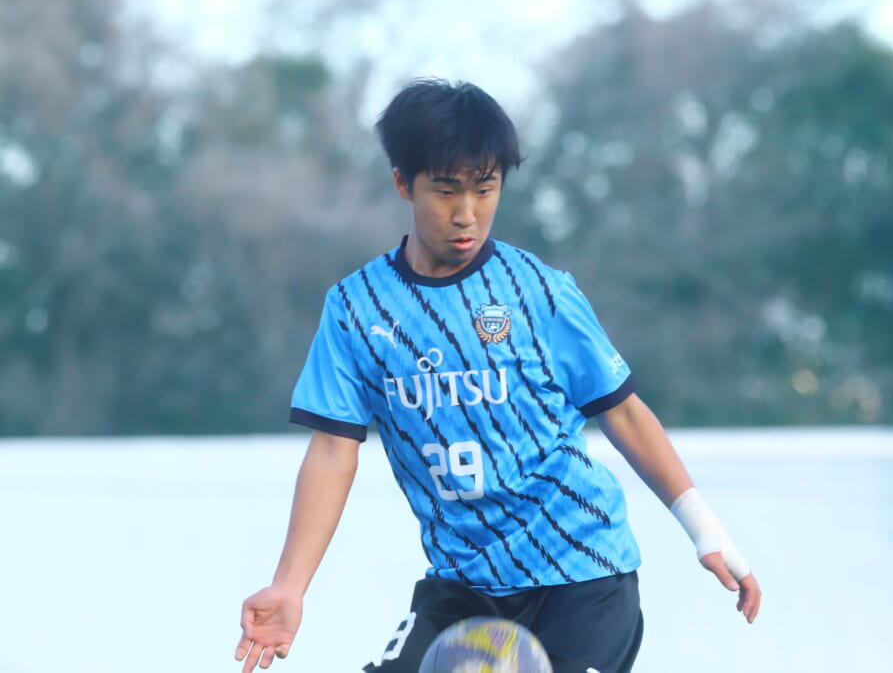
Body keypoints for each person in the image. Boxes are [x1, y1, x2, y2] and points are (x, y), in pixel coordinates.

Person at [235, 78, 761, 673]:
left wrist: (704, 529)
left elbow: (623, 413)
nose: (467, 214)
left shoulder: (539, 292)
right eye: (445, 191)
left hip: (582, 573)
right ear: (403, 183)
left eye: (485, 190)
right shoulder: (356, 309)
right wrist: (290, 586)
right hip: (462, 585)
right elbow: (333, 452)